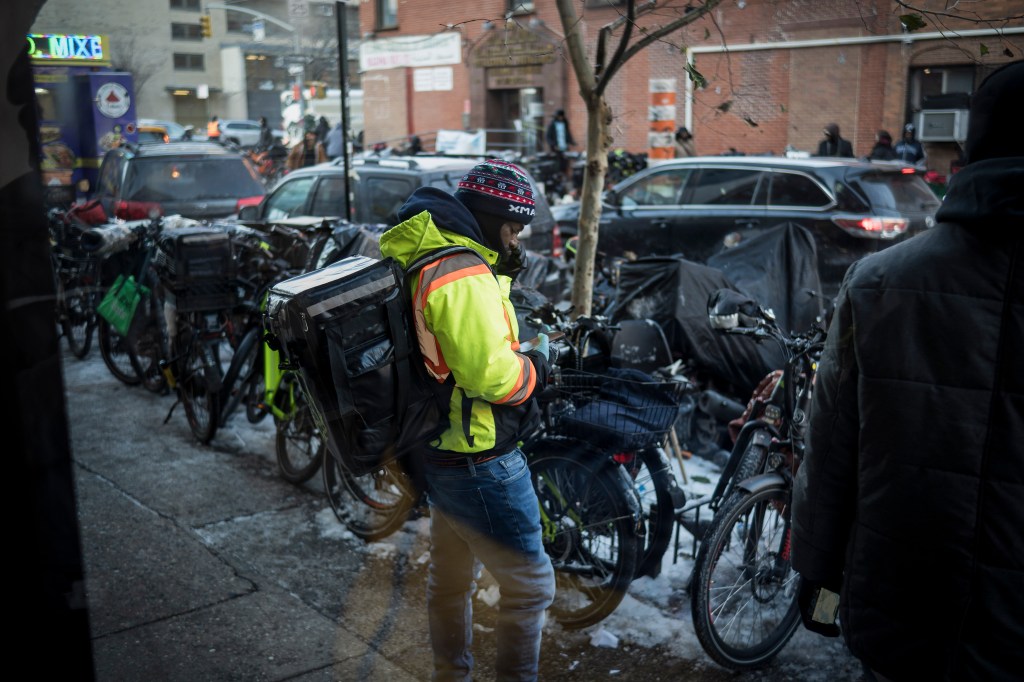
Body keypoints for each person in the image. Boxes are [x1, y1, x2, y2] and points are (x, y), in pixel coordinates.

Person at [791, 61, 1024, 681]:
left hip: (899, 610)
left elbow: (831, 445)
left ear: (969, 151)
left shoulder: (880, 281)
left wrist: (817, 572)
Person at [377, 159, 556, 681]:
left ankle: (449, 674)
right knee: (530, 587)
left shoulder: (434, 251)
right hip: (480, 456)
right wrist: (537, 369)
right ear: (491, 217)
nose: (517, 239)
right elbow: (493, 379)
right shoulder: (461, 273)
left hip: (440, 446)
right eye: (513, 228)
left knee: (450, 578)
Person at [545, 109, 576, 192]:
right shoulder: (553, 124)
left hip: (564, 147)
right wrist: (553, 145)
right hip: (556, 149)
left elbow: (567, 134)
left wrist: (571, 142)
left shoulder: (565, 123)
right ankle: (558, 180)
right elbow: (548, 137)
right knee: (557, 165)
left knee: (565, 164)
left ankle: (564, 179)